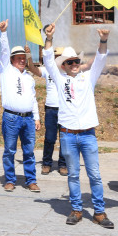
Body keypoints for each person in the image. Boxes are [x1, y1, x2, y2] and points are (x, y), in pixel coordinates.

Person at [41, 23, 114, 229]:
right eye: (69, 62)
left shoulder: (87, 78)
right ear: (63, 65)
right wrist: (49, 38)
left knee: (95, 175)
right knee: (73, 175)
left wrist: (103, 40)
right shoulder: (59, 79)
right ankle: (76, 210)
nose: (74, 64)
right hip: (67, 135)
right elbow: (47, 58)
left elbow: (100, 59)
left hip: (88, 135)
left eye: (76, 61)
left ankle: (99, 212)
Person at [0, 20, 41, 193]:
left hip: (28, 118)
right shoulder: (6, 70)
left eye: (24, 58)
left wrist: (37, 117)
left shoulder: (29, 78)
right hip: (11, 117)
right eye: (18, 58)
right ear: (12, 60)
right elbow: (4, 51)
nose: (22, 61)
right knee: (9, 150)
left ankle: (31, 180)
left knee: (29, 151)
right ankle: (9, 179)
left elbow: (33, 99)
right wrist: (3, 33)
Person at [26, 45, 68, 177]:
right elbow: (33, 69)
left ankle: (63, 164)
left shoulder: (68, 71)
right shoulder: (48, 70)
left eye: (60, 57)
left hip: (66, 109)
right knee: (50, 138)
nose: (57, 59)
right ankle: (47, 163)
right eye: (55, 56)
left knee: (65, 138)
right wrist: (29, 56)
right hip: (51, 108)